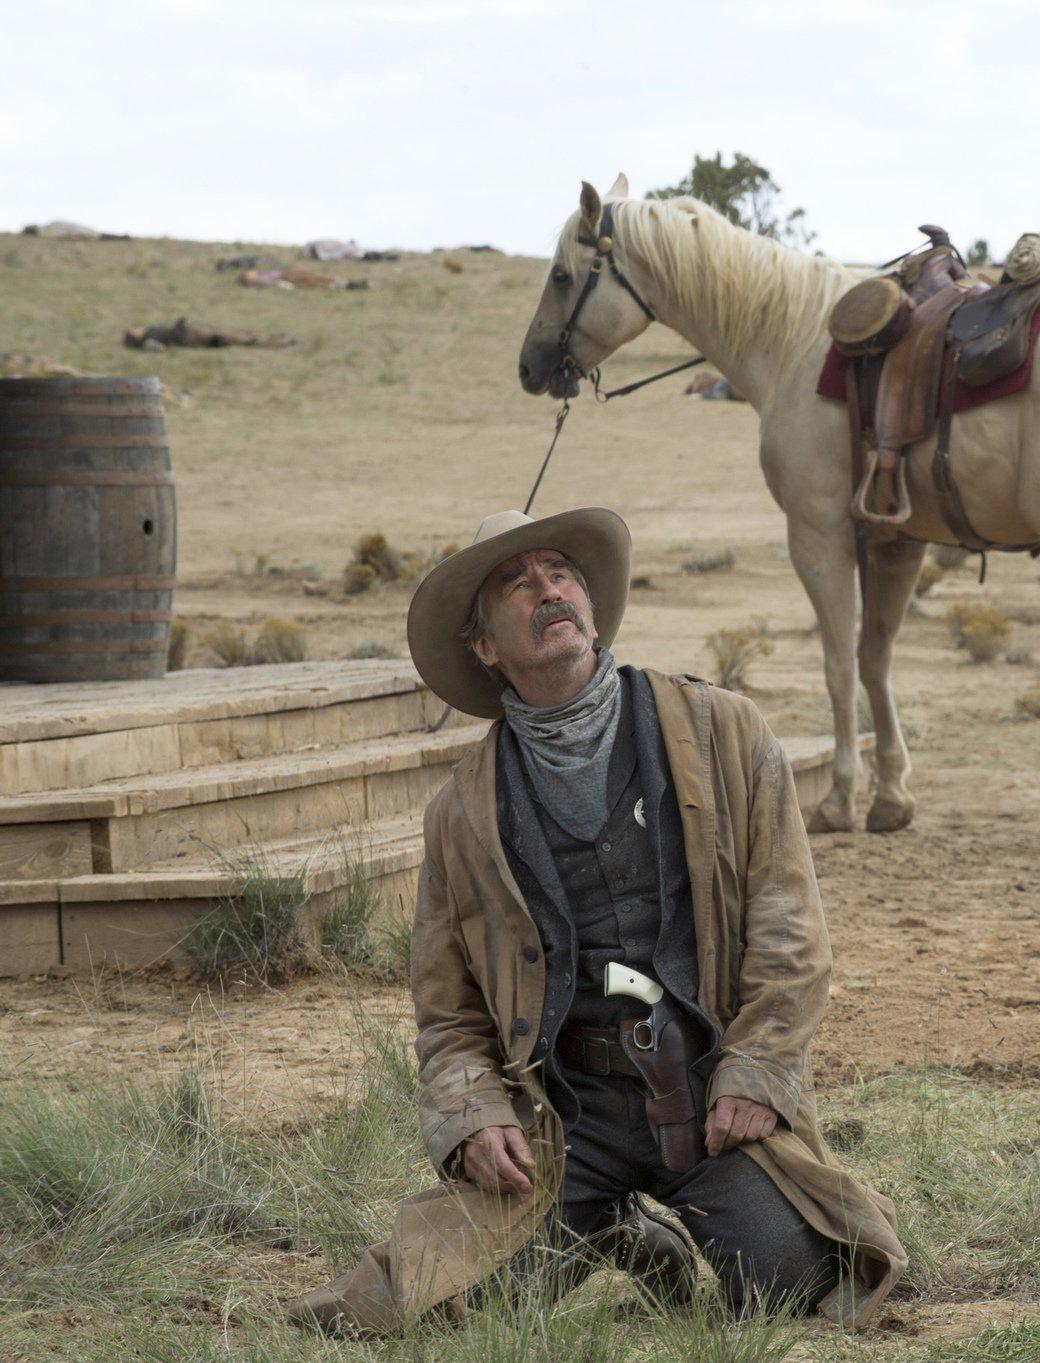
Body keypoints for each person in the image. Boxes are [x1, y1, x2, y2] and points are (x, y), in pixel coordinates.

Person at [293, 507, 904, 1333]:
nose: (547, 589)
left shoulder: (725, 731)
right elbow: (447, 1013)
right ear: (484, 646)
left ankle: (700, 1209)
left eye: (560, 573)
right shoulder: (462, 814)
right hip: (563, 1116)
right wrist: (474, 1110)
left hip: (707, 1094)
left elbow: (792, 933)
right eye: (517, 583)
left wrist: (756, 1070)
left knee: (788, 1281)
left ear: (587, 601)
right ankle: (618, 1230)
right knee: (461, 1307)